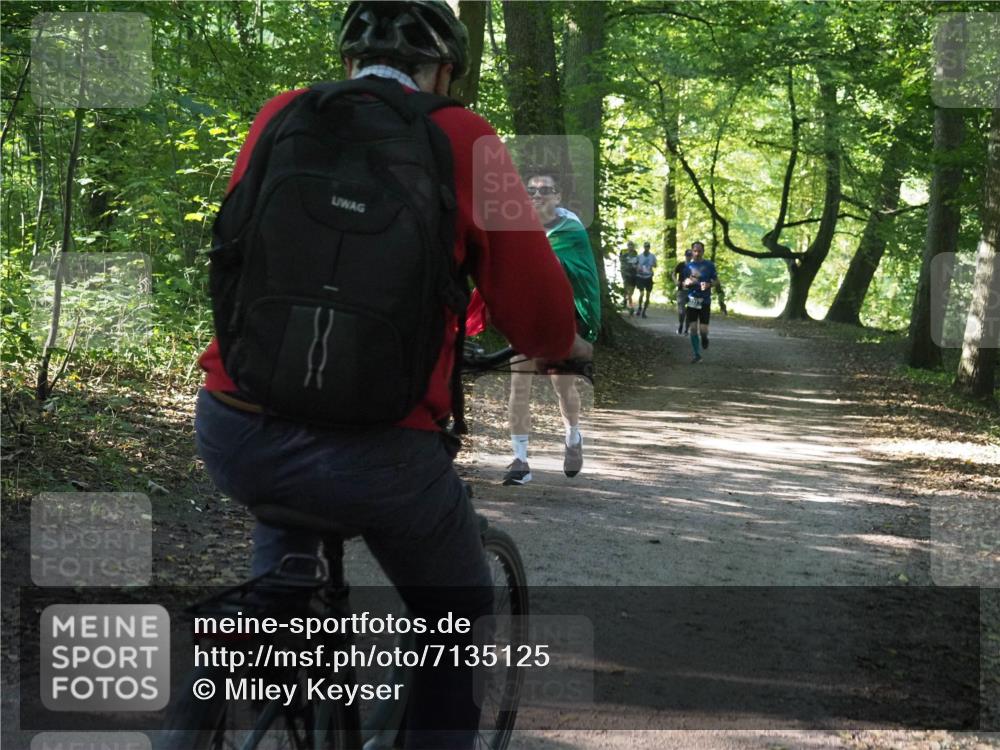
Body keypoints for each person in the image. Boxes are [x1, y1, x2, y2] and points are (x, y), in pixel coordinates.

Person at [192, 3, 592, 748]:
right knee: (456, 614)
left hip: (236, 423)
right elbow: (537, 313)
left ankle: (258, 671)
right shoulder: (467, 138)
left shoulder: (281, 114)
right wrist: (563, 344)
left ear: (347, 61)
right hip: (380, 452)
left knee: (285, 543)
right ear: (445, 72)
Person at [501, 171, 601, 486]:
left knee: (563, 387)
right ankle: (520, 461)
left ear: (558, 196)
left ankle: (573, 436)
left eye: (545, 190)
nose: (537, 194)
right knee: (519, 387)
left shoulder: (572, 230)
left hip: (560, 320)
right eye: (531, 190)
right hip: (525, 319)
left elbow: (577, 273)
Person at [682, 240, 718, 363]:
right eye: (695, 251)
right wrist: (687, 283)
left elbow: (716, 281)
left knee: (703, 329)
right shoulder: (688, 266)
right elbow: (683, 282)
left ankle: (704, 338)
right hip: (693, 299)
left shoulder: (709, 265)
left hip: (705, 300)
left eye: (699, 251)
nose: (697, 253)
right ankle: (697, 354)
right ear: (692, 251)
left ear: (703, 251)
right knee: (693, 328)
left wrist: (709, 284)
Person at [673, 248, 693, 334]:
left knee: (690, 311)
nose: (689, 257)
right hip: (681, 291)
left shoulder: (695, 265)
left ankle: (686, 329)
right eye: (687, 255)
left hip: (692, 291)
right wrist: (676, 281)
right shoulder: (681, 265)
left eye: (690, 255)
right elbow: (673, 273)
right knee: (682, 311)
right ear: (685, 256)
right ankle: (681, 324)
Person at [634, 241, 657, 318]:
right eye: (645, 246)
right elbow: (635, 264)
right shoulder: (639, 256)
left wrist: (652, 265)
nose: (646, 248)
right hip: (640, 277)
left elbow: (655, 265)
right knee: (641, 293)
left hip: (648, 277)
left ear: (649, 247)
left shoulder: (652, 256)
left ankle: (644, 311)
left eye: (648, 246)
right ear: (643, 247)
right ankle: (639, 307)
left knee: (648, 295)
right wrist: (638, 268)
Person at [619, 241, 639, 315]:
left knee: (631, 291)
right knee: (626, 289)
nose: (630, 247)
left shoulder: (635, 253)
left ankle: (626, 301)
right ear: (627, 246)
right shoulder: (623, 252)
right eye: (629, 245)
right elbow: (621, 261)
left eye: (632, 245)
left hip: (633, 274)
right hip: (626, 273)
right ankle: (630, 306)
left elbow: (637, 262)